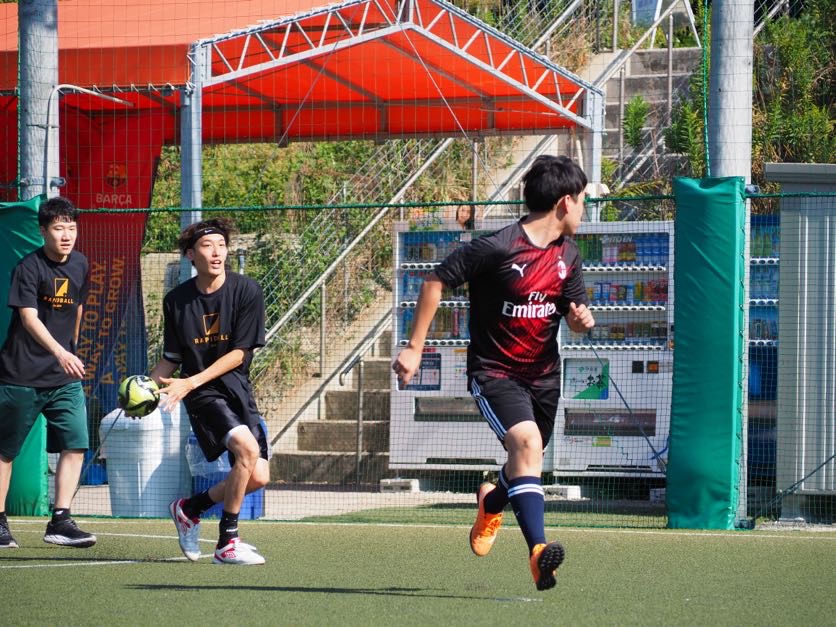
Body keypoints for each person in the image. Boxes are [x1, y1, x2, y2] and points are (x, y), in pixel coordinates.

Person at [392, 155, 595, 591]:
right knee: (527, 444)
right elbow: (434, 282)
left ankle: (492, 501)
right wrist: (414, 347)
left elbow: (575, 311)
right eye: (582, 200)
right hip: (495, 372)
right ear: (565, 202)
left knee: (526, 459)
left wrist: (581, 320)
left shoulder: (569, 254)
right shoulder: (498, 247)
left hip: (544, 377)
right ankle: (538, 553)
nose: (584, 209)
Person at [150, 217, 269, 566]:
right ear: (190, 254)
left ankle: (190, 508)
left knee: (257, 475)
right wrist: (144, 390)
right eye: (207, 246)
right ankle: (227, 542)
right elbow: (172, 358)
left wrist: (190, 381)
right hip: (203, 395)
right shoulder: (176, 301)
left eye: (221, 245)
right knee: (247, 449)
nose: (216, 252)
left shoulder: (247, 290)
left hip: (235, 388)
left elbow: (240, 353)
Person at [0, 196, 96, 549]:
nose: (66, 235)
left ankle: (60, 521)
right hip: (20, 376)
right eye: (58, 228)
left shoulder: (81, 263)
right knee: (5, 451)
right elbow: (29, 318)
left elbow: (78, 306)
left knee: (76, 444)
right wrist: (60, 352)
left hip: (63, 380)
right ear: (43, 231)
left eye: (71, 228)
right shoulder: (28, 268)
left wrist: (72, 349)